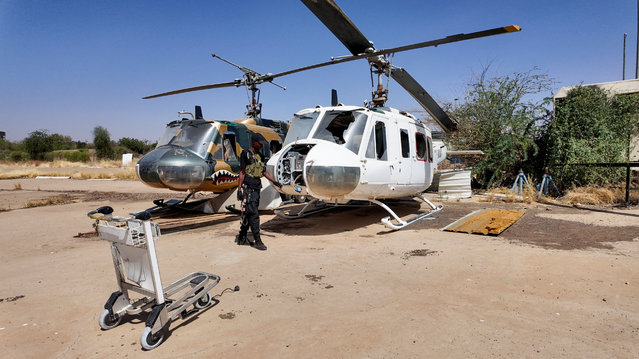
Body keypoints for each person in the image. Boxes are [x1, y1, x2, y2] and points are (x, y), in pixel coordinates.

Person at [235, 133, 281, 250]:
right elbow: (242, 172)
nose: (261, 145)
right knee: (254, 213)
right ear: (254, 142)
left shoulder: (260, 156)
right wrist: (239, 189)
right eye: (259, 143)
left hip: (256, 187)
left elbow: (264, 172)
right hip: (248, 188)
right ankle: (257, 240)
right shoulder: (245, 154)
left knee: (248, 212)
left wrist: (274, 181)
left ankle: (242, 236)